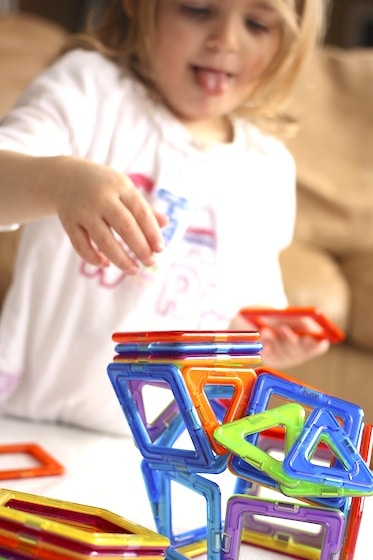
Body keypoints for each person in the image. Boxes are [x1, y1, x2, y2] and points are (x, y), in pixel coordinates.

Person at [0, 0, 330, 435]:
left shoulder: (269, 168)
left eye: (256, 23)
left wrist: (266, 339)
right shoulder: (90, 88)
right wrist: (60, 182)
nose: (225, 41)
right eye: (197, 10)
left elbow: (244, 314)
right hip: (31, 420)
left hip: (173, 447)